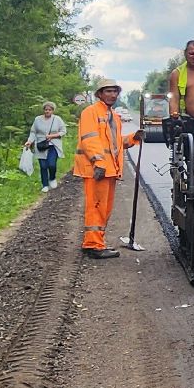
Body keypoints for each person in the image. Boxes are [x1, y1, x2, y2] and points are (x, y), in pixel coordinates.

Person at [73, 82, 142, 259]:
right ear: (100, 94)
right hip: (97, 169)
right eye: (108, 91)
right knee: (96, 207)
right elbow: (89, 140)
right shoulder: (90, 112)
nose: (112, 95)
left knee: (104, 209)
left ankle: (96, 242)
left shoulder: (113, 116)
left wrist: (133, 138)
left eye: (115, 92)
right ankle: (93, 245)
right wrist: (98, 162)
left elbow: (116, 143)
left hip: (110, 169)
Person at [23, 102, 67, 192]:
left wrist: (52, 136)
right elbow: (33, 132)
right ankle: (45, 185)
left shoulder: (57, 119)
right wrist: (29, 141)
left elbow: (63, 131)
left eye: (49, 110)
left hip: (53, 145)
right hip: (41, 145)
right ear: (43, 110)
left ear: (53, 111)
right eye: (46, 109)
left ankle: (52, 178)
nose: (47, 111)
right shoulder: (37, 119)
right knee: (43, 166)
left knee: (51, 164)